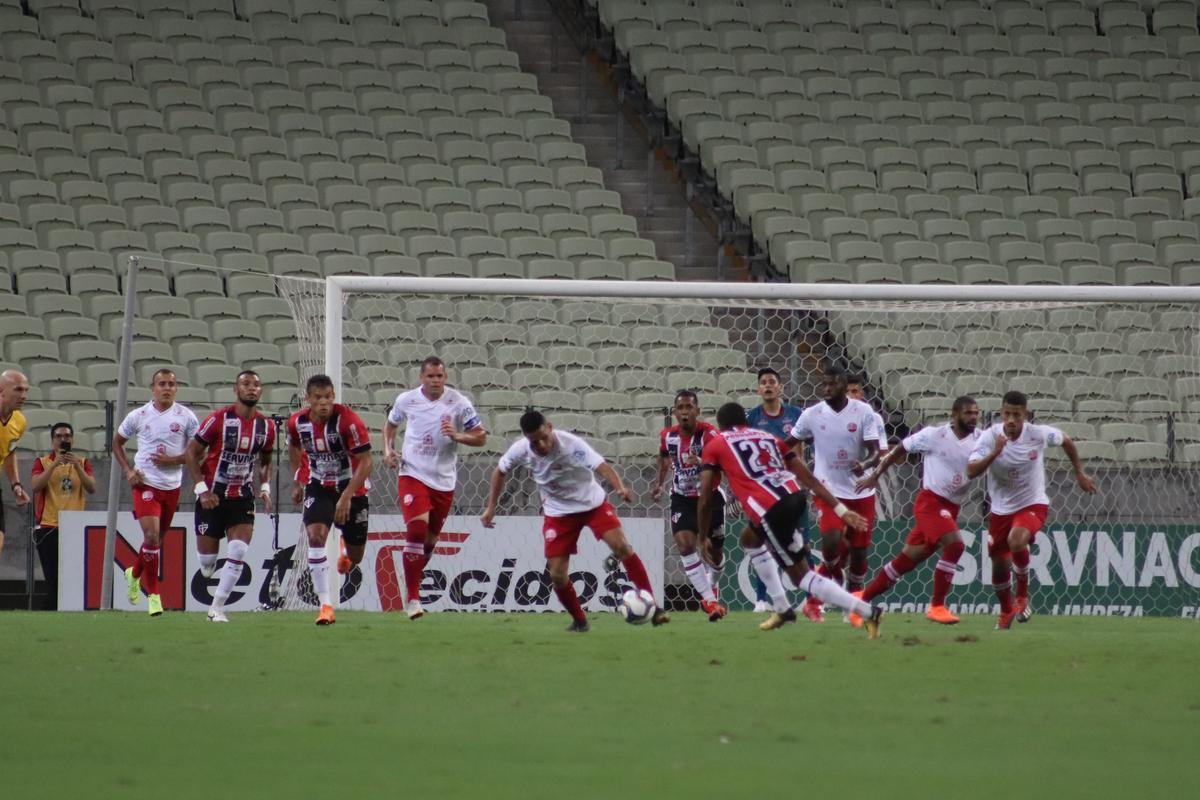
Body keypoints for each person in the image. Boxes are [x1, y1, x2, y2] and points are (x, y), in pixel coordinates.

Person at [697, 402, 882, 637]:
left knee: (801, 576)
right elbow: (811, 480)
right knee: (750, 539)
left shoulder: (715, 444)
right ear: (744, 422)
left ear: (720, 425)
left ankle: (867, 611)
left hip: (770, 508)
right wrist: (841, 510)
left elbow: (705, 499)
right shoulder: (769, 438)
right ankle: (782, 607)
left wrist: (702, 537)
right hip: (794, 497)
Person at [481, 410, 666, 632]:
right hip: (558, 513)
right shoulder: (520, 449)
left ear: (549, 427)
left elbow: (601, 466)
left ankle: (653, 607)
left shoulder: (571, 445)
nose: (540, 444)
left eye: (543, 437)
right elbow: (499, 471)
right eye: (534, 441)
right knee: (557, 574)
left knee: (622, 546)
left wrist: (619, 487)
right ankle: (580, 621)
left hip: (592, 505)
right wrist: (491, 507)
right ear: (525, 438)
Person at [967, 390, 1096, 629]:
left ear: (1025, 415)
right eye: (1007, 414)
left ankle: (1022, 596)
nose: (1011, 420)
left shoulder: (1037, 434)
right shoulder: (989, 437)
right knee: (998, 565)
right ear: (1001, 413)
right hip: (1000, 509)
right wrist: (995, 451)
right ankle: (1006, 611)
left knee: (1017, 541)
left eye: (1017, 414)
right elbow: (971, 471)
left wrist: (1079, 472)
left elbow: (1066, 440)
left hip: (1032, 503)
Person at [852, 397, 982, 625]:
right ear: (954, 415)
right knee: (955, 545)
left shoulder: (981, 438)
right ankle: (937, 606)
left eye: (975, 413)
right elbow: (898, 450)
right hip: (930, 503)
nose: (973, 417)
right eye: (968, 413)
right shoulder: (934, 435)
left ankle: (860, 600)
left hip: (952, 506)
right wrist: (875, 475)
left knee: (906, 561)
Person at [382, 356, 487, 620]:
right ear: (421, 378)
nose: (435, 381)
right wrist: (387, 449)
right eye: (430, 376)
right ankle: (413, 599)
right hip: (412, 473)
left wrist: (458, 435)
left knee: (429, 541)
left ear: (446, 377)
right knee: (416, 531)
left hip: (443, 480)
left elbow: (481, 437)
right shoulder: (407, 400)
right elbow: (391, 424)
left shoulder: (459, 403)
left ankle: (413, 579)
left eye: (440, 376)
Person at [786, 365, 880, 622]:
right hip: (828, 490)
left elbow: (876, 451)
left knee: (859, 555)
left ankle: (852, 604)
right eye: (824, 384)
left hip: (861, 492)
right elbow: (788, 446)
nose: (827, 389)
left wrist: (866, 464)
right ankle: (830, 585)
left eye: (833, 384)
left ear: (843, 385)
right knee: (832, 542)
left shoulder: (863, 412)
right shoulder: (811, 414)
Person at [185, 370, 276, 623]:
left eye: (256, 385)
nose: (251, 388)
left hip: (242, 496)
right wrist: (202, 489)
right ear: (236, 390)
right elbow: (191, 453)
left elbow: (266, 461)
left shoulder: (266, 427)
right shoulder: (218, 420)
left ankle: (216, 609)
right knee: (207, 565)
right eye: (246, 384)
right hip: (212, 497)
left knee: (237, 549)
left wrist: (265, 487)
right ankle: (209, 569)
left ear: (261, 391)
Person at [287, 374, 373, 626]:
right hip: (319, 486)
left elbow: (367, 462)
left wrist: (346, 497)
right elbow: (293, 446)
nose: (323, 402)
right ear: (308, 399)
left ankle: (346, 550)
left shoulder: (349, 422)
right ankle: (325, 606)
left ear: (333, 397)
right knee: (315, 537)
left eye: (328, 397)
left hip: (352, 487)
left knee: (356, 557)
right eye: (318, 398)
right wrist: (298, 479)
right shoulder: (297, 422)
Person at [112, 368, 200, 616]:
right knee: (151, 538)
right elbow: (116, 442)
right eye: (162, 383)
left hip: (171, 488)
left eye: (171, 384)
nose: (167, 388)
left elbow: (198, 452)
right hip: (145, 484)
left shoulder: (186, 417)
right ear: (153, 388)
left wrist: (174, 460)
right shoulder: (138, 415)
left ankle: (134, 572)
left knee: (156, 543)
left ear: (176, 388)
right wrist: (129, 471)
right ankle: (154, 595)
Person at [651, 390, 726, 621]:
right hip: (682, 497)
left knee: (714, 554)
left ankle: (712, 583)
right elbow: (664, 457)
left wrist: (702, 461)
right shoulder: (667, 436)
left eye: (689, 407)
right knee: (685, 545)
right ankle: (710, 602)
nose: (684, 412)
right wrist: (659, 484)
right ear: (674, 412)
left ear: (697, 411)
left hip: (709, 497)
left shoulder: (709, 434)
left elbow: (724, 463)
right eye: (680, 408)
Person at [744, 367, 803, 612]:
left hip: (789, 487)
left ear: (780, 387)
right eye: (763, 382)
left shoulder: (795, 414)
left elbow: (800, 451)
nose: (767, 385)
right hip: (762, 491)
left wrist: (801, 480)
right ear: (759, 389)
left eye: (772, 382)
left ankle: (811, 599)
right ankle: (761, 599)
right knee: (763, 543)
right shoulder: (752, 417)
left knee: (800, 542)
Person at [31, 422, 96, 609]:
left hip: (75, 528)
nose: (63, 440)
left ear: (72, 439)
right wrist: (54, 465)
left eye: (67, 436)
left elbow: (91, 487)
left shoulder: (82, 462)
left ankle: (70, 609)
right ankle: (51, 610)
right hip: (50, 527)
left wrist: (77, 467)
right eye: (58, 436)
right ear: (52, 441)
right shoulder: (42, 462)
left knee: (74, 575)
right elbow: (35, 486)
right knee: (53, 576)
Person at [0, 369, 31, 560]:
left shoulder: (19, 421)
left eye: (26, 390)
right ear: (1, 390)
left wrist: (16, 484)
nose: (23, 396)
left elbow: (10, 451)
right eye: (18, 390)